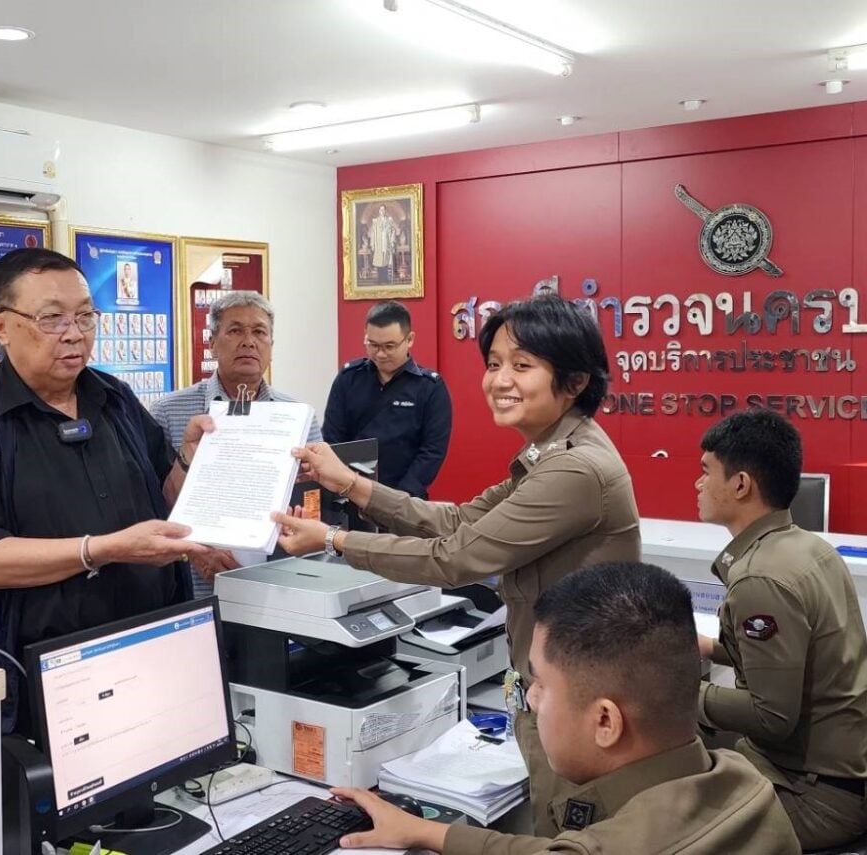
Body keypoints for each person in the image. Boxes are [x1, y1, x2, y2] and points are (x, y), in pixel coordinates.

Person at [274, 295, 640, 836]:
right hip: (555, 692)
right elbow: (459, 520)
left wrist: (333, 539)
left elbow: (457, 557)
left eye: (522, 365)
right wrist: (351, 484)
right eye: (494, 364)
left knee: (569, 837)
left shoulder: (575, 469)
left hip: (582, 706)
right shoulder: (548, 454)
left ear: (575, 381)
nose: (500, 380)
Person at [0, 247, 212, 733]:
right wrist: (104, 549)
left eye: (84, 316)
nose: (74, 333)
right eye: (51, 318)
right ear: (0, 326)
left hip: (147, 641)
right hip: (43, 666)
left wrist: (188, 459)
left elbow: (163, 497)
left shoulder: (114, 397)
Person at [333, 562, 800, 854]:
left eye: (540, 684)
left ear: (605, 721)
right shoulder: (746, 783)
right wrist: (427, 832)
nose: (532, 699)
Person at [695, 409, 867, 850]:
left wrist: (674, 693)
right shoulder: (810, 547)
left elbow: (770, 717)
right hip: (836, 773)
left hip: (815, 794)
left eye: (706, 471)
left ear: (741, 484)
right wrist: (709, 647)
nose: (698, 484)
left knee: (667, 818)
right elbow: (792, 657)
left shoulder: (761, 577)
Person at [149, 290, 322, 595]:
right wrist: (195, 551)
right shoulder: (168, 412)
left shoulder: (297, 416)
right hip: (196, 585)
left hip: (279, 582)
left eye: (259, 332)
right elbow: (153, 506)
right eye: (235, 331)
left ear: (271, 346)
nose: (248, 341)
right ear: (212, 343)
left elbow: (316, 499)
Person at [323, 300, 451, 498]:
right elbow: (332, 439)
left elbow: (432, 451)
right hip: (349, 493)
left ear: (409, 339)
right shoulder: (348, 378)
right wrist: (348, 486)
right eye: (373, 345)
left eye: (389, 346)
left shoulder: (430, 388)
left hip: (404, 498)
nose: (380, 354)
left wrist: (396, 500)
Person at [369, 205, 396, 274]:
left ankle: (385, 277)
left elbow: (393, 230)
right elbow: (373, 233)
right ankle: (380, 277)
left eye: (383, 209)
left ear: (385, 211)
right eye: (381, 210)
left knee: (386, 260)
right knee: (379, 261)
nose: (382, 211)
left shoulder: (389, 220)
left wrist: (392, 241)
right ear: (379, 211)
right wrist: (372, 244)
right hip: (378, 243)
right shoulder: (375, 221)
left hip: (386, 242)